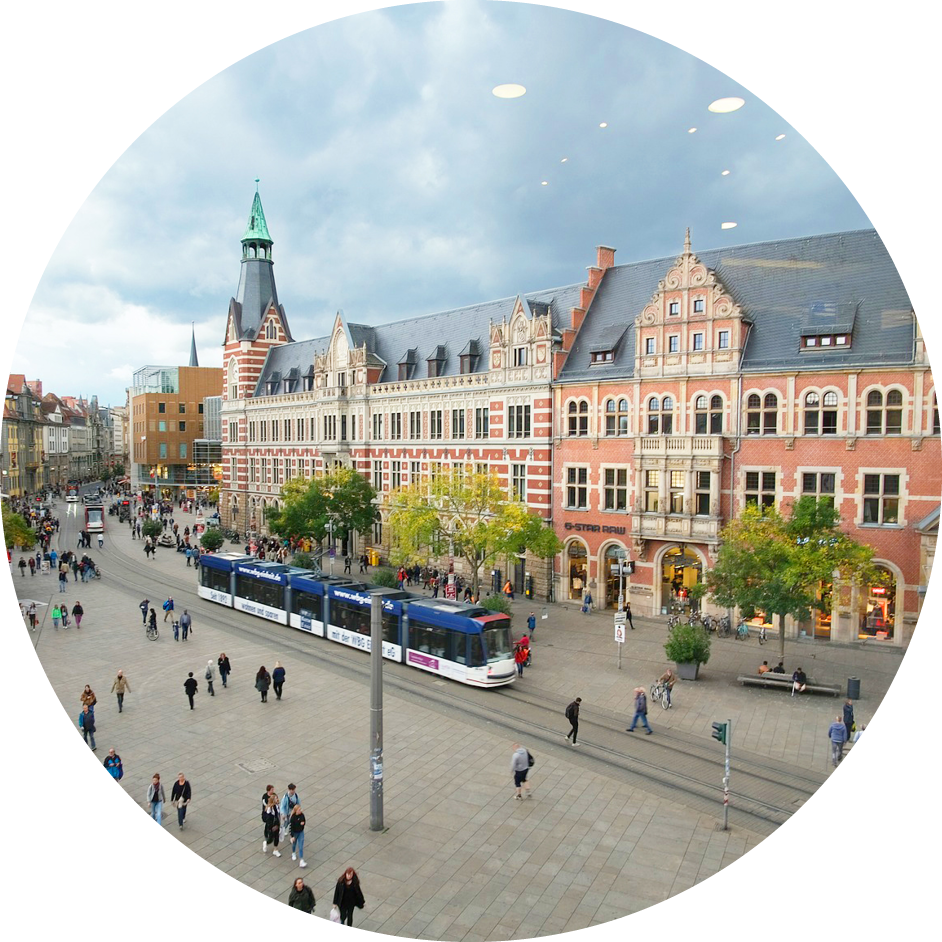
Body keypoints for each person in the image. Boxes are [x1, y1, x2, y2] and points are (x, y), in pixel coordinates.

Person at [288, 802, 307, 867]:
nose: (300, 810)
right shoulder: (293, 818)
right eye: (299, 810)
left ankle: (301, 860)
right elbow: (291, 827)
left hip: (301, 832)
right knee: (294, 844)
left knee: (301, 846)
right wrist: (292, 836)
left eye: (300, 809)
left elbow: (304, 821)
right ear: (296, 811)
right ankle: (293, 852)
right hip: (295, 833)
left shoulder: (302, 815)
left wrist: (303, 824)